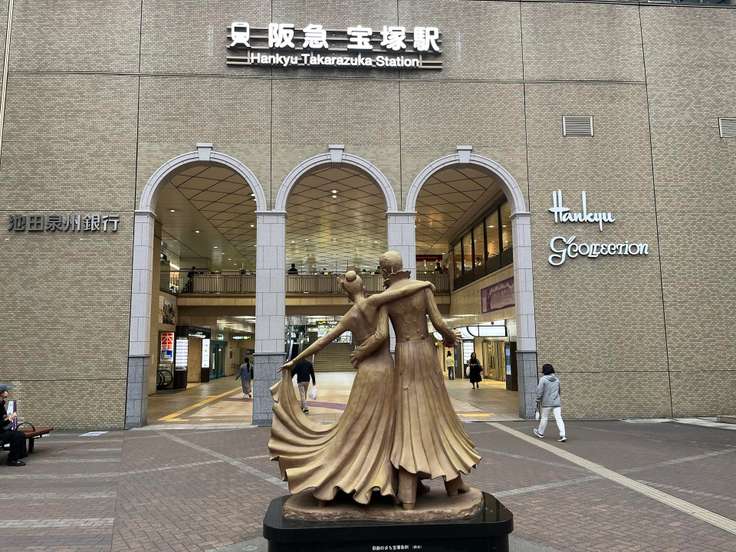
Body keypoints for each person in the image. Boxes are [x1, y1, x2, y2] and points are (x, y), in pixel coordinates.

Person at [270, 271, 432, 505]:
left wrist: (295, 360)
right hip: (386, 371)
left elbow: (322, 342)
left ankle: (345, 477)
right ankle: (381, 479)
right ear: (363, 286)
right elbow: (399, 295)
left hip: (367, 374)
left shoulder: (351, 315)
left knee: (357, 426)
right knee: (386, 426)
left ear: (347, 293)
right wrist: (423, 284)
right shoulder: (376, 303)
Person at [376, 250, 480, 510]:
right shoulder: (423, 289)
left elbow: (381, 335)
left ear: (386, 270)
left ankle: (408, 492)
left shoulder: (385, 299)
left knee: (408, 415)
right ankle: (453, 482)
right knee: (436, 411)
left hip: (404, 353)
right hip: (425, 352)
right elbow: (438, 323)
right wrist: (451, 337)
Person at [533, 363, 567, 442]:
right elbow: (559, 391)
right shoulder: (557, 380)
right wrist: (556, 398)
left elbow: (539, 391)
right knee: (559, 418)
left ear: (544, 370)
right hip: (556, 402)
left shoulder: (543, 379)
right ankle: (563, 435)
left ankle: (540, 432)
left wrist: (538, 400)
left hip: (547, 403)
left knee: (544, 418)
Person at [0, 384, 27, 466]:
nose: (7, 392)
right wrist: (10, 418)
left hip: (2, 430)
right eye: (6, 391)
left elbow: (2, 418)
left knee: (20, 434)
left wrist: (7, 417)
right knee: (16, 436)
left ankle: (20, 455)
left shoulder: (1, 403)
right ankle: (12, 460)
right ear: (1, 393)